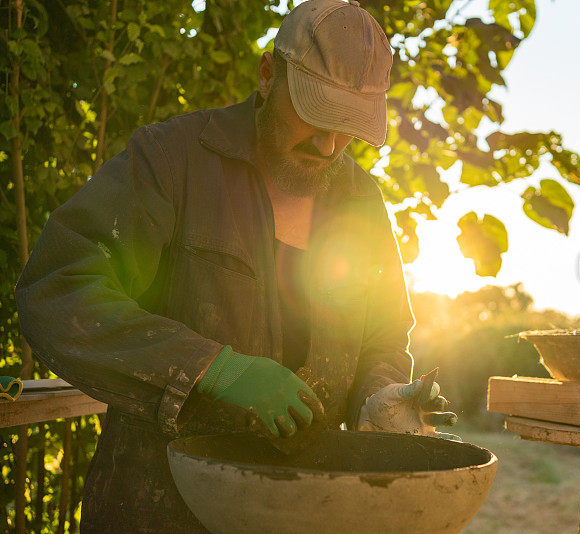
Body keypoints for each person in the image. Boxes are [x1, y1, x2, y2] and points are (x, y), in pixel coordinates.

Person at [14, 0, 457, 531]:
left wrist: (381, 393)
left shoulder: (362, 202)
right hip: (157, 505)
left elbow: (384, 334)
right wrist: (210, 367)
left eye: (349, 127)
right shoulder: (172, 160)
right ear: (269, 75)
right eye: (315, 115)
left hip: (302, 512)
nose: (329, 143)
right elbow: (58, 289)